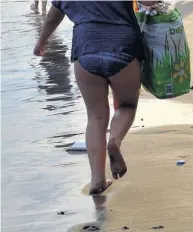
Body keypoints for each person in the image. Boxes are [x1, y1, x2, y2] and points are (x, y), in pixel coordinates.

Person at [34, 1, 157, 195]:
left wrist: (41, 42)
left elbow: (52, 17)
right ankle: (114, 141)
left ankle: (97, 181)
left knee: (95, 117)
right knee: (126, 106)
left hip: (86, 51)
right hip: (123, 47)